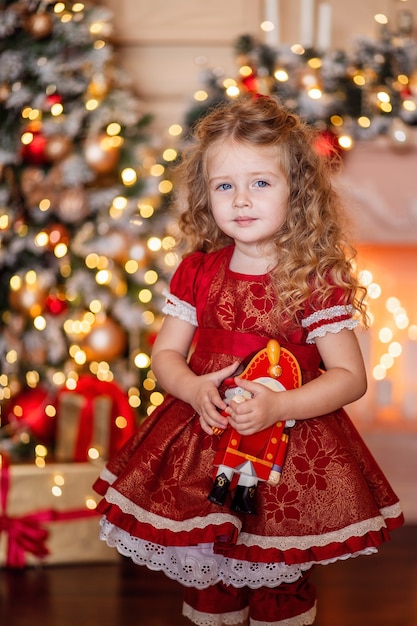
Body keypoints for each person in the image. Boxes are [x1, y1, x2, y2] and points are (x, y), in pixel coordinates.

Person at [94, 95, 404, 626]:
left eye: (261, 182)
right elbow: (166, 355)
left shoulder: (315, 280)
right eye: (225, 185)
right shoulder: (198, 272)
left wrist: (280, 404)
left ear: (297, 190)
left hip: (288, 452)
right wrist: (192, 390)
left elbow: (351, 378)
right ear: (206, 193)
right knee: (211, 572)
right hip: (205, 443)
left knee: (277, 577)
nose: (241, 199)